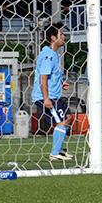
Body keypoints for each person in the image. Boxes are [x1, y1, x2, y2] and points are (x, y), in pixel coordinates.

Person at [32, 22, 73, 161]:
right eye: (61, 34)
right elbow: (43, 79)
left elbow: (51, 75)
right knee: (61, 121)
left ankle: (59, 150)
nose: (64, 37)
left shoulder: (53, 54)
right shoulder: (48, 55)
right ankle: (55, 152)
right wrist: (46, 99)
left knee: (67, 117)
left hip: (55, 95)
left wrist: (61, 83)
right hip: (46, 97)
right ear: (53, 37)